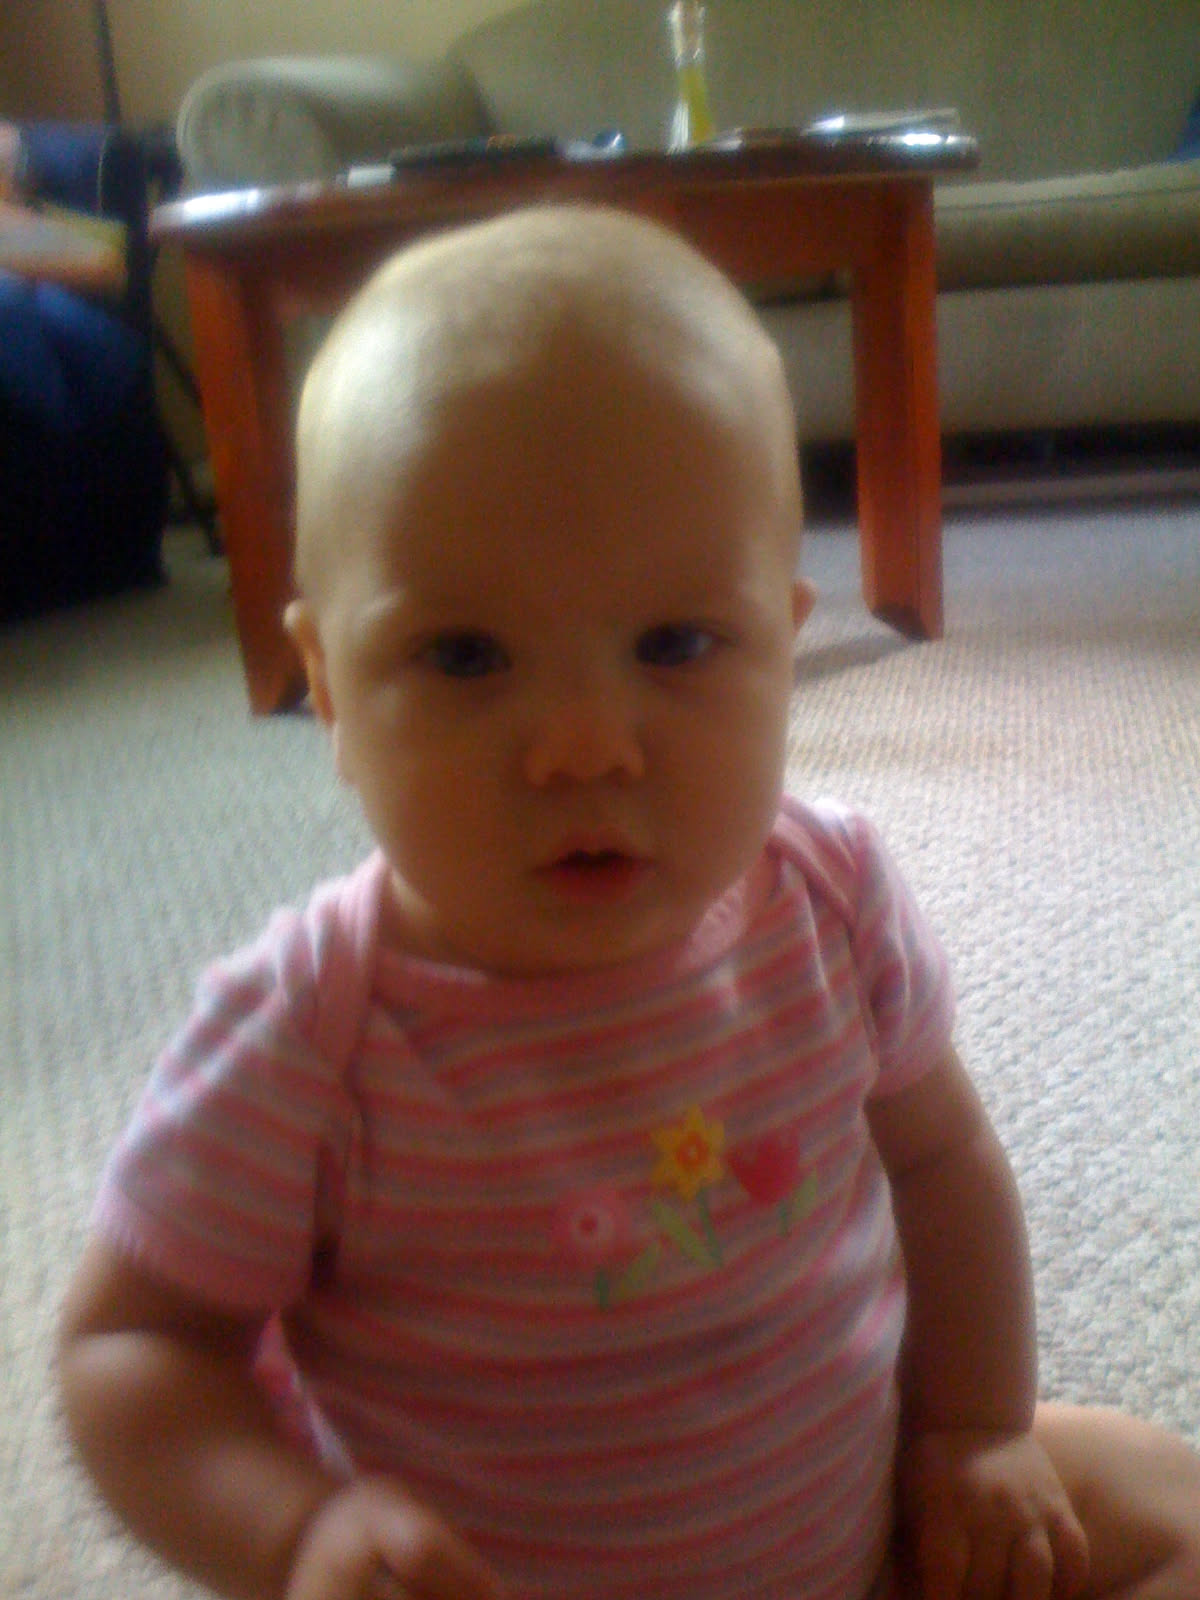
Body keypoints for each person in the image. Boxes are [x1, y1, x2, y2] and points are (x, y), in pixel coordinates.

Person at [58, 205, 1200, 1600]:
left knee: (1163, 1493)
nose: (586, 746)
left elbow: (943, 1160)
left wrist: (973, 1431)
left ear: (785, 647)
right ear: (332, 689)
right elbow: (134, 1349)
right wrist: (296, 1531)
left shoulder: (829, 897)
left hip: (864, 1539)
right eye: (465, 656)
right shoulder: (309, 1028)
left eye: (676, 642)